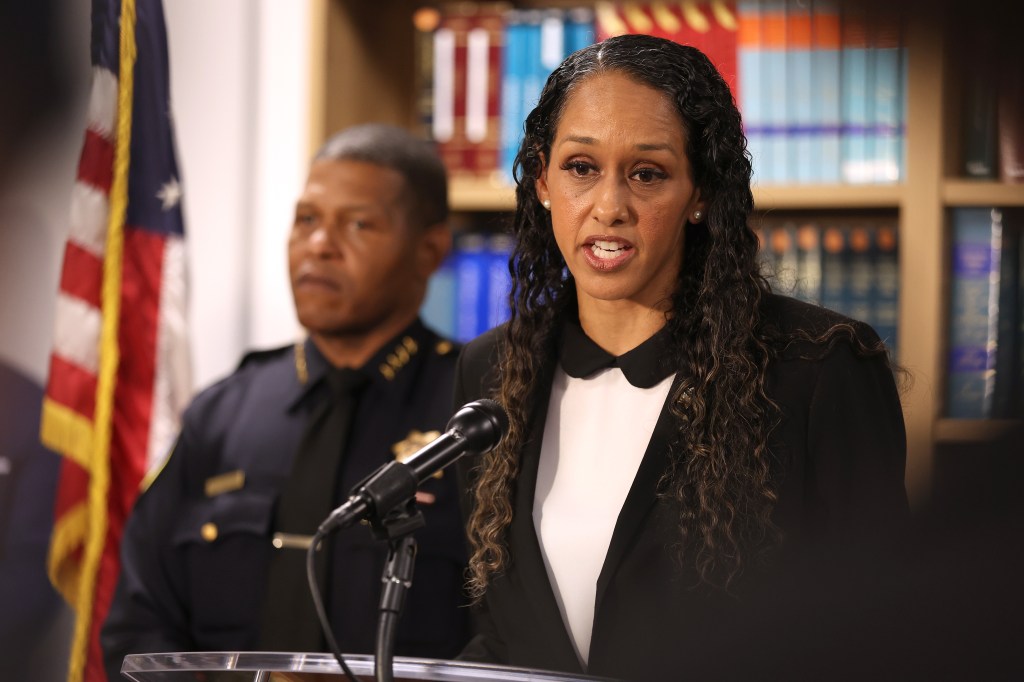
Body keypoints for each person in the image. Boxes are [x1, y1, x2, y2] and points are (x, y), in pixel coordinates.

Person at [453, 35, 908, 680]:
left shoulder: (821, 369)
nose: (608, 208)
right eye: (582, 167)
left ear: (700, 192)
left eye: (647, 174)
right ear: (542, 182)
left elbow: (877, 635)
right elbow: (501, 637)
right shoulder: (490, 371)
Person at [102, 124, 470, 679]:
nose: (320, 245)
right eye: (307, 220)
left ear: (429, 250)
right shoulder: (222, 415)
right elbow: (139, 619)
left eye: (359, 224)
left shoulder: (473, 415)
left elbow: (509, 632)